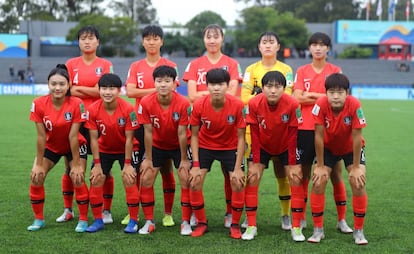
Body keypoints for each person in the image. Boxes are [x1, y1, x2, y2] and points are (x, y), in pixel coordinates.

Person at [183, 24, 243, 228]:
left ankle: (230, 214)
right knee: (195, 175)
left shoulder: (232, 63)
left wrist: (207, 94)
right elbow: (191, 95)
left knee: (231, 176)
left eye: (216, 36)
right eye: (208, 36)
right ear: (203, 40)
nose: (212, 40)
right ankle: (195, 216)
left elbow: (233, 95)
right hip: (204, 128)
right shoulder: (194, 64)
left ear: (222, 39)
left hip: (228, 131)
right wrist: (214, 95)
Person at [293, 32, 352, 234]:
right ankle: (300, 218)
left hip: (330, 129)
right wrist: (324, 96)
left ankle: (342, 219)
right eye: (314, 45)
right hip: (305, 128)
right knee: (304, 174)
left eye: (322, 45)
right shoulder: (301, 71)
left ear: (328, 48)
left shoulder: (335, 70)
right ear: (309, 48)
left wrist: (310, 96)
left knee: (336, 174)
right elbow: (296, 97)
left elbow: (340, 98)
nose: (318, 48)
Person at [57, 25, 114, 225]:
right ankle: (68, 209)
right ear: (79, 42)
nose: (87, 41)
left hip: (100, 120)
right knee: (71, 167)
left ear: (98, 42)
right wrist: (91, 89)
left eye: (91, 38)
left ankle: (106, 211)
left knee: (104, 168)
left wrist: (78, 88)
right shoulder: (70, 63)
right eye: (83, 38)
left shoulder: (106, 64)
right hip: (75, 121)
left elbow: (105, 91)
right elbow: (66, 90)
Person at [125, 24, 178, 227]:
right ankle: (135, 212)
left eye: (156, 38)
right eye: (148, 38)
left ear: (162, 41)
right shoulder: (136, 66)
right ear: (142, 42)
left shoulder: (170, 64)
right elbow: (129, 92)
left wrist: (144, 90)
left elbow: (171, 90)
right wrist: (156, 90)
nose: (152, 42)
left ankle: (168, 213)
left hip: (166, 124)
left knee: (167, 170)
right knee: (140, 169)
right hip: (142, 122)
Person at [241, 31, 294, 231]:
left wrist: (257, 93)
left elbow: (286, 95)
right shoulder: (251, 69)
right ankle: (249, 217)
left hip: (281, 131)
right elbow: (243, 97)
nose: (268, 45)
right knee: (253, 176)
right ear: (259, 46)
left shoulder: (286, 69)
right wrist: (263, 96)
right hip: (255, 132)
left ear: (278, 46)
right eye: (265, 42)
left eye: (272, 42)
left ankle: (286, 215)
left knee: (283, 175)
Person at [242, 71, 303, 241]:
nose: (273, 90)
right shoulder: (254, 103)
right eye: (269, 86)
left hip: (286, 146)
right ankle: (252, 225)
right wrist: (255, 160)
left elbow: (293, 135)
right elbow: (253, 133)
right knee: (252, 177)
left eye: (277, 86)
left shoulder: (292, 104)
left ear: (284, 88)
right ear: (262, 87)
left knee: (296, 178)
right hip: (262, 145)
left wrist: (292, 163)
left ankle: (296, 227)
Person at [27, 64, 89, 232]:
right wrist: (39, 163)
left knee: (77, 176)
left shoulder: (77, 103)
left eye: (62, 84)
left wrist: (76, 164)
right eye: (53, 83)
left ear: (68, 85)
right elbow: (41, 136)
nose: (57, 87)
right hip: (51, 146)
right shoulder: (38, 103)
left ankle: (83, 219)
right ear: (48, 84)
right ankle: (38, 219)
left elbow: (73, 136)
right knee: (36, 176)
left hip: (73, 145)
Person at [309, 73, 368, 245]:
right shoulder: (320, 105)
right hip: (328, 148)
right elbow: (318, 136)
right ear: (325, 93)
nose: (336, 96)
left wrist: (356, 166)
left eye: (340, 92)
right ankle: (318, 230)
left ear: (347, 93)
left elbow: (357, 137)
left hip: (351, 149)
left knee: (358, 181)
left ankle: (358, 231)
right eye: (332, 92)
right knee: (319, 180)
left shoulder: (354, 104)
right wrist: (319, 165)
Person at [189, 68, 246, 238]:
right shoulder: (199, 105)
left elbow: (242, 138)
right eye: (212, 84)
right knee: (195, 181)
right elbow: (193, 135)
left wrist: (237, 168)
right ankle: (201, 223)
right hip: (206, 146)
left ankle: (234, 224)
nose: (216, 88)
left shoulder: (237, 105)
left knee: (237, 182)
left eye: (220, 84)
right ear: (207, 86)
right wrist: (196, 165)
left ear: (227, 86)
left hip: (230, 147)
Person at [137, 65, 192, 235]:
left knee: (185, 177)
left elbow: (183, 133)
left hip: (179, 146)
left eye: (167, 81)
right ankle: (149, 222)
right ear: (154, 82)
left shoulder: (183, 102)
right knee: (146, 178)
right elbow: (147, 131)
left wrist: (184, 159)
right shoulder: (146, 102)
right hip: (157, 145)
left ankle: (185, 222)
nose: (163, 84)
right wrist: (147, 158)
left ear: (174, 83)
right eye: (159, 81)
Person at [84, 73, 139, 233]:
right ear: (99, 90)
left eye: (112, 89)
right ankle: (98, 220)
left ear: (119, 90)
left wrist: (128, 164)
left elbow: (130, 139)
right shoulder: (93, 109)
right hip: (104, 149)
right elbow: (93, 139)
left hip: (126, 149)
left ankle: (133, 221)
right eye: (104, 89)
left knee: (129, 179)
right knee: (96, 178)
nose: (108, 92)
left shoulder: (128, 109)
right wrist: (97, 164)